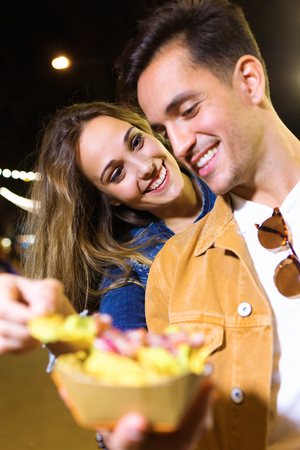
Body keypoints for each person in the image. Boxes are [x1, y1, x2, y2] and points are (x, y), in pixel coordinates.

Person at [112, 0, 300, 448]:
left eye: (189, 110)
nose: (178, 146)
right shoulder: (174, 271)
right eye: (163, 129)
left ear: (249, 81)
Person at [0, 100, 215, 353]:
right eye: (116, 174)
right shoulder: (128, 270)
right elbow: (121, 360)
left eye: (136, 142)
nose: (146, 167)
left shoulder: (235, 176)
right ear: (110, 198)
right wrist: (63, 333)